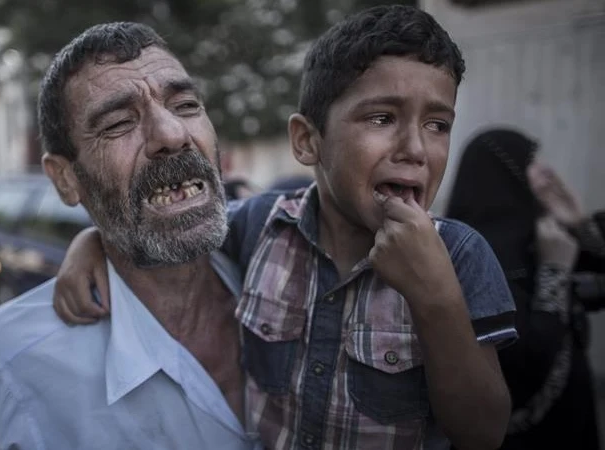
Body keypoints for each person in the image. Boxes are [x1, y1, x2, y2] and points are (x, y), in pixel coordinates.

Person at [52, 5, 518, 450]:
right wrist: (94, 240)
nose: (415, 147)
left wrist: (436, 299)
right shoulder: (260, 226)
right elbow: (176, 227)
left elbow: (482, 433)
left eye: (438, 124)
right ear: (307, 141)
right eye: (382, 118)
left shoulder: (460, 256)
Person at [0, 22, 261, 450]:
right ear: (64, 179)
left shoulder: (297, 277)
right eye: (118, 123)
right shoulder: (11, 366)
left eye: (186, 105)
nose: (172, 135)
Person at [444, 128, 605, 450]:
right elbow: (525, 358)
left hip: (570, 415)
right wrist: (554, 272)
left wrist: (576, 221)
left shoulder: (540, 237)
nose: (544, 172)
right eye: (531, 161)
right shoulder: (478, 253)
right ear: (506, 170)